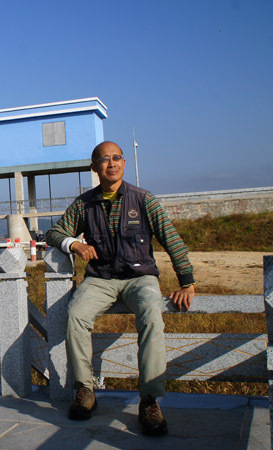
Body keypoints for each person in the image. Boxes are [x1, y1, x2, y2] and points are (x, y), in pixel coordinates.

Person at [45, 141, 195, 436]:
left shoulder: (143, 199)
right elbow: (54, 232)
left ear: (124, 164)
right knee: (75, 315)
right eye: (104, 159)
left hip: (140, 278)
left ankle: (150, 400)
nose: (111, 163)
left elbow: (171, 239)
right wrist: (74, 243)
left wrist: (186, 282)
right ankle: (85, 391)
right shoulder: (84, 204)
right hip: (100, 279)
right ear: (94, 167)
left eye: (117, 158)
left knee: (152, 315)